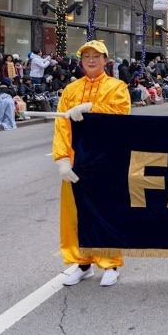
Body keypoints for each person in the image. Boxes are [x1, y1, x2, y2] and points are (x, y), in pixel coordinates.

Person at [52, 39, 131, 287]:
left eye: (96, 56)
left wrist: (92, 108)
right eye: (86, 56)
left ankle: (111, 264)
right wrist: (62, 159)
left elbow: (121, 114)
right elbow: (61, 125)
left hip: (106, 159)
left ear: (105, 60)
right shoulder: (71, 90)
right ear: (81, 61)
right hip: (78, 161)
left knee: (106, 211)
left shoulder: (117, 87)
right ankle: (83, 263)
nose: (91, 60)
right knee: (76, 213)